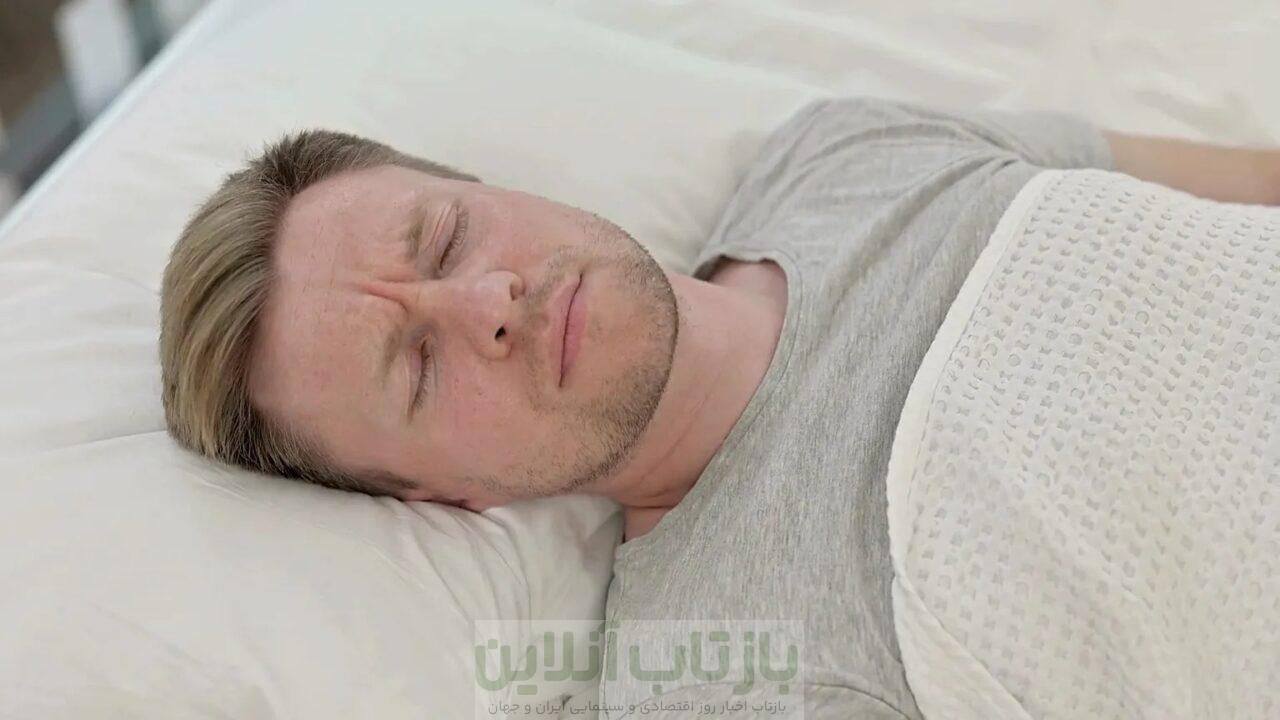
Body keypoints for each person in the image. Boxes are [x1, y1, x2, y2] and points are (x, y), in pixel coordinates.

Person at [158, 96, 1280, 718]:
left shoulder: (841, 154)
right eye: (417, 367)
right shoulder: (709, 675)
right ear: (441, 497)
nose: (488, 303)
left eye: (448, 238)